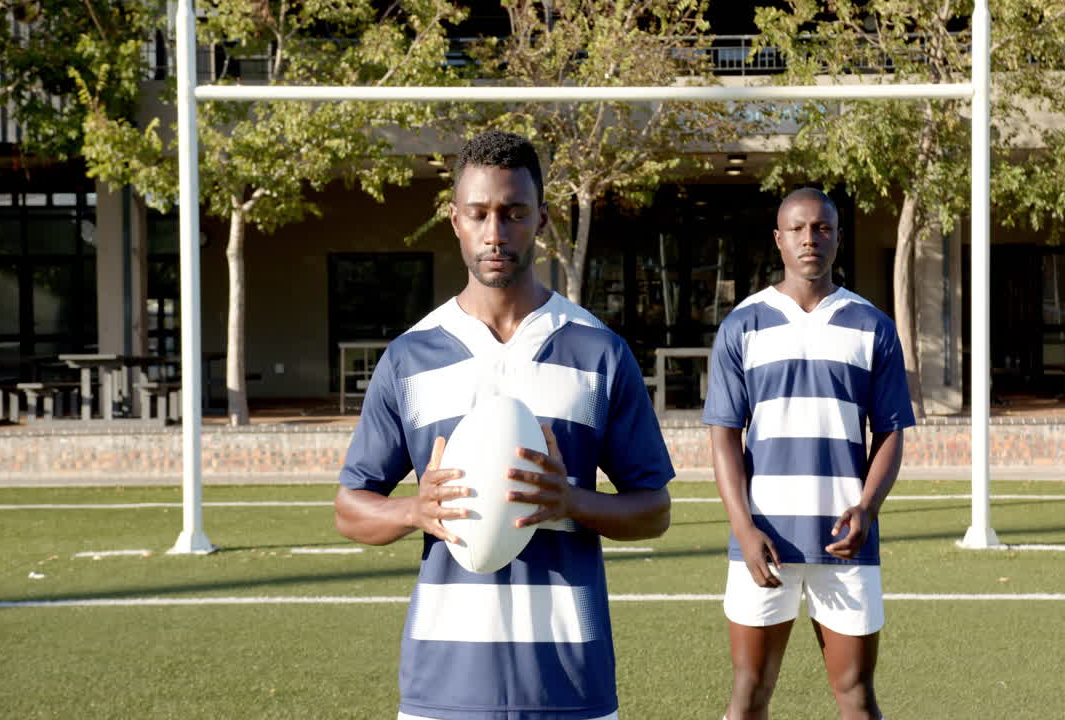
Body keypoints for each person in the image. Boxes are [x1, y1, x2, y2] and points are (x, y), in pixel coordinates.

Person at [334, 130, 673, 720]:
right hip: (444, 689)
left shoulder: (599, 352)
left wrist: (568, 500)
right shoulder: (410, 357)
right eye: (480, 213)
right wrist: (416, 511)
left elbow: (655, 509)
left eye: (514, 213)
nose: (496, 232)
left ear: (540, 218)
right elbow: (350, 507)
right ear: (455, 220)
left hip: (571, 686)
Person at [701, 188, 915, 720]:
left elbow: (890, 432)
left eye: (822, 228)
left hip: (846, 542)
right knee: (749, 694)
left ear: (838, 237)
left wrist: (867, 508)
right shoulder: (743, 325)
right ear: (779, 239)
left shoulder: (872, 326)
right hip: (763, 543)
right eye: (797, 228)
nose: (809, 238)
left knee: (856, 697)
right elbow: (724, 434)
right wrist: (743, 528)